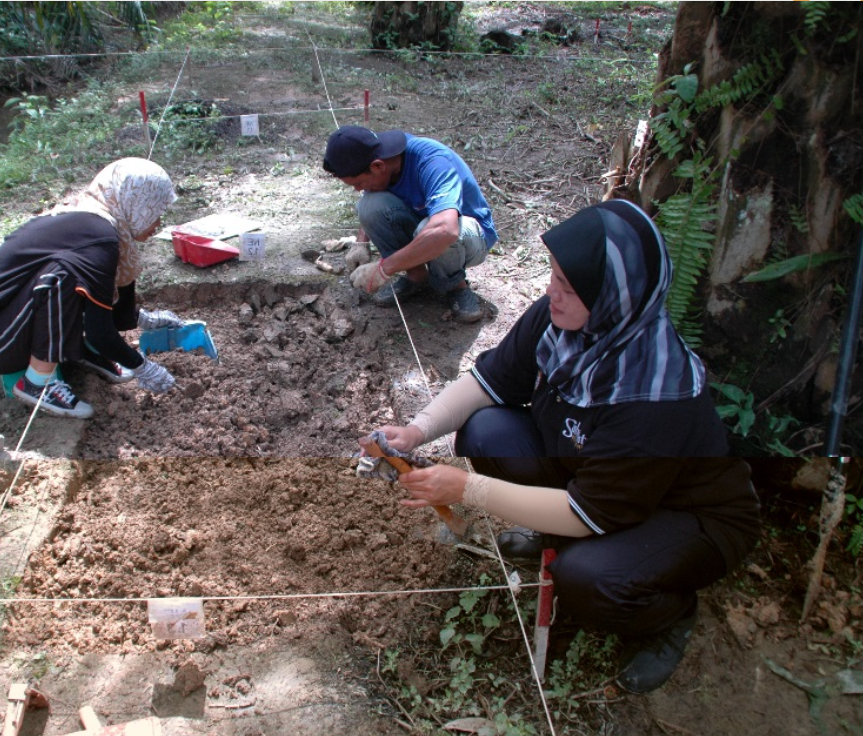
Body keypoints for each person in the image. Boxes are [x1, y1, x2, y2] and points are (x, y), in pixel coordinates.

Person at [361, 199, 761, 693]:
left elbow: (588, 511)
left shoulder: (654, 397)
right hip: (599, 480)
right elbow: (489, 382)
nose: (552, 291)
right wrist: (418, 430)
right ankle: (557, 536)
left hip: (687, 514)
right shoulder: (564, 321)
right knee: (485, 431)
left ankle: (667, 615)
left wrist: (465, 488)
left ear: (615, 298)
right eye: (554, 275)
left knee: (588, 578)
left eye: (569, 286)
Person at [0, 158, 185, 419]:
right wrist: (143, 367)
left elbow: (111, 311)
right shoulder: (100, 238)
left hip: (14, 321)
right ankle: (38, 382)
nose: (158, 222)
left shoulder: (103, 224)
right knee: (63, 276)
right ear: (137, 204)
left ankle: (82, 351)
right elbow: (100, 331)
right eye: (155, 211)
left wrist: (143, 319)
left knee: (82, 281)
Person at [322, 125, 499, 323]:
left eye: (358, 183)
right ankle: (416, 276)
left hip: (471, 236)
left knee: (431, 229)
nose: (357, 189)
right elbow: (371, 195)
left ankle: (455, 286)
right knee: (369, 205)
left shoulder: (433, 161)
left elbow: (446, 230)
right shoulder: (377, 156)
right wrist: (361, 242)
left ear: (378, 166)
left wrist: (384, 268)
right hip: (424, 223)